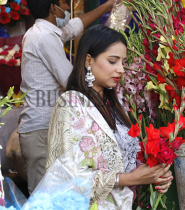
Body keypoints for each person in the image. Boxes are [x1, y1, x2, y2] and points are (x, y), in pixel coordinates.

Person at [46, 24, 173, 209]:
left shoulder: (115, 105)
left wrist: (154, 174)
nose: (121, 69)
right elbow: (64, 175)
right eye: (113, 61)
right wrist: (128, 178)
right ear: (88, 61)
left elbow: (128, 160)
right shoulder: (71, 104)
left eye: (123, 62)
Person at [19, 0, 117, 194]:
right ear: (53, 8)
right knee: (44, 200)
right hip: (41, 130)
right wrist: (102, 75)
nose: (67, 8)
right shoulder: (44, 37)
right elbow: (71, 81)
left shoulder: (44, 31)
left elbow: (73, 27)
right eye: (64, 3)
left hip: (45, 129)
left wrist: (107, 6)